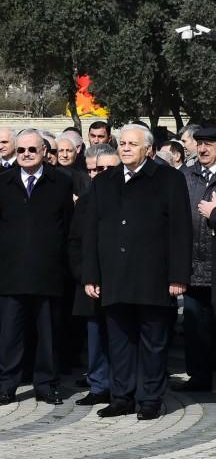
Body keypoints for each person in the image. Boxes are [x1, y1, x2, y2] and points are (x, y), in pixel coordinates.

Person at [83, 125, 192, 420]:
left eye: (133, 144)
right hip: (115, 276)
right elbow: (92, 230)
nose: (126, 148)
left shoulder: (169, 179)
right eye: (123, 143)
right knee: (119, 342)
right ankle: (122, 397)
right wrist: (91, 275)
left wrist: (178, 276)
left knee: (153, 342)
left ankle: (150, 399)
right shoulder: (105, 181)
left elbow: (181, 230)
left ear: (148, 149)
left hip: (153, 277)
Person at [0, 130, 74, 406]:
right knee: (10, 334)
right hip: (11, 272)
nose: (26, 154)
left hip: (48, 272)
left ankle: (46, 384)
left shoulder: (60, 183)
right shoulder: (3, 182)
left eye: (32, 150)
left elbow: (68, 226)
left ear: (43, 152)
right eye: (21, 150)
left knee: (48, 334)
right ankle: (7, 386)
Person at [69, 143, 119, 406]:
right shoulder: (85, 202)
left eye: (106, 169)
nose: (98, 174)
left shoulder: (129, 198)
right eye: (94, 170)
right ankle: (99, 385)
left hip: (121, 281)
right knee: (95, 338)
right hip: (91, 283)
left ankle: (122, 386)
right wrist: (84, 275)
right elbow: (74, 242)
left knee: (121, 339)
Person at [176, 127, 216, 392]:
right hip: (190, 264)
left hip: (214, 265)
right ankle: (198, 376)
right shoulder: (185, 176)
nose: (202, 149)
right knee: (193, 324)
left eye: (209, 144)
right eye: (199, 143)